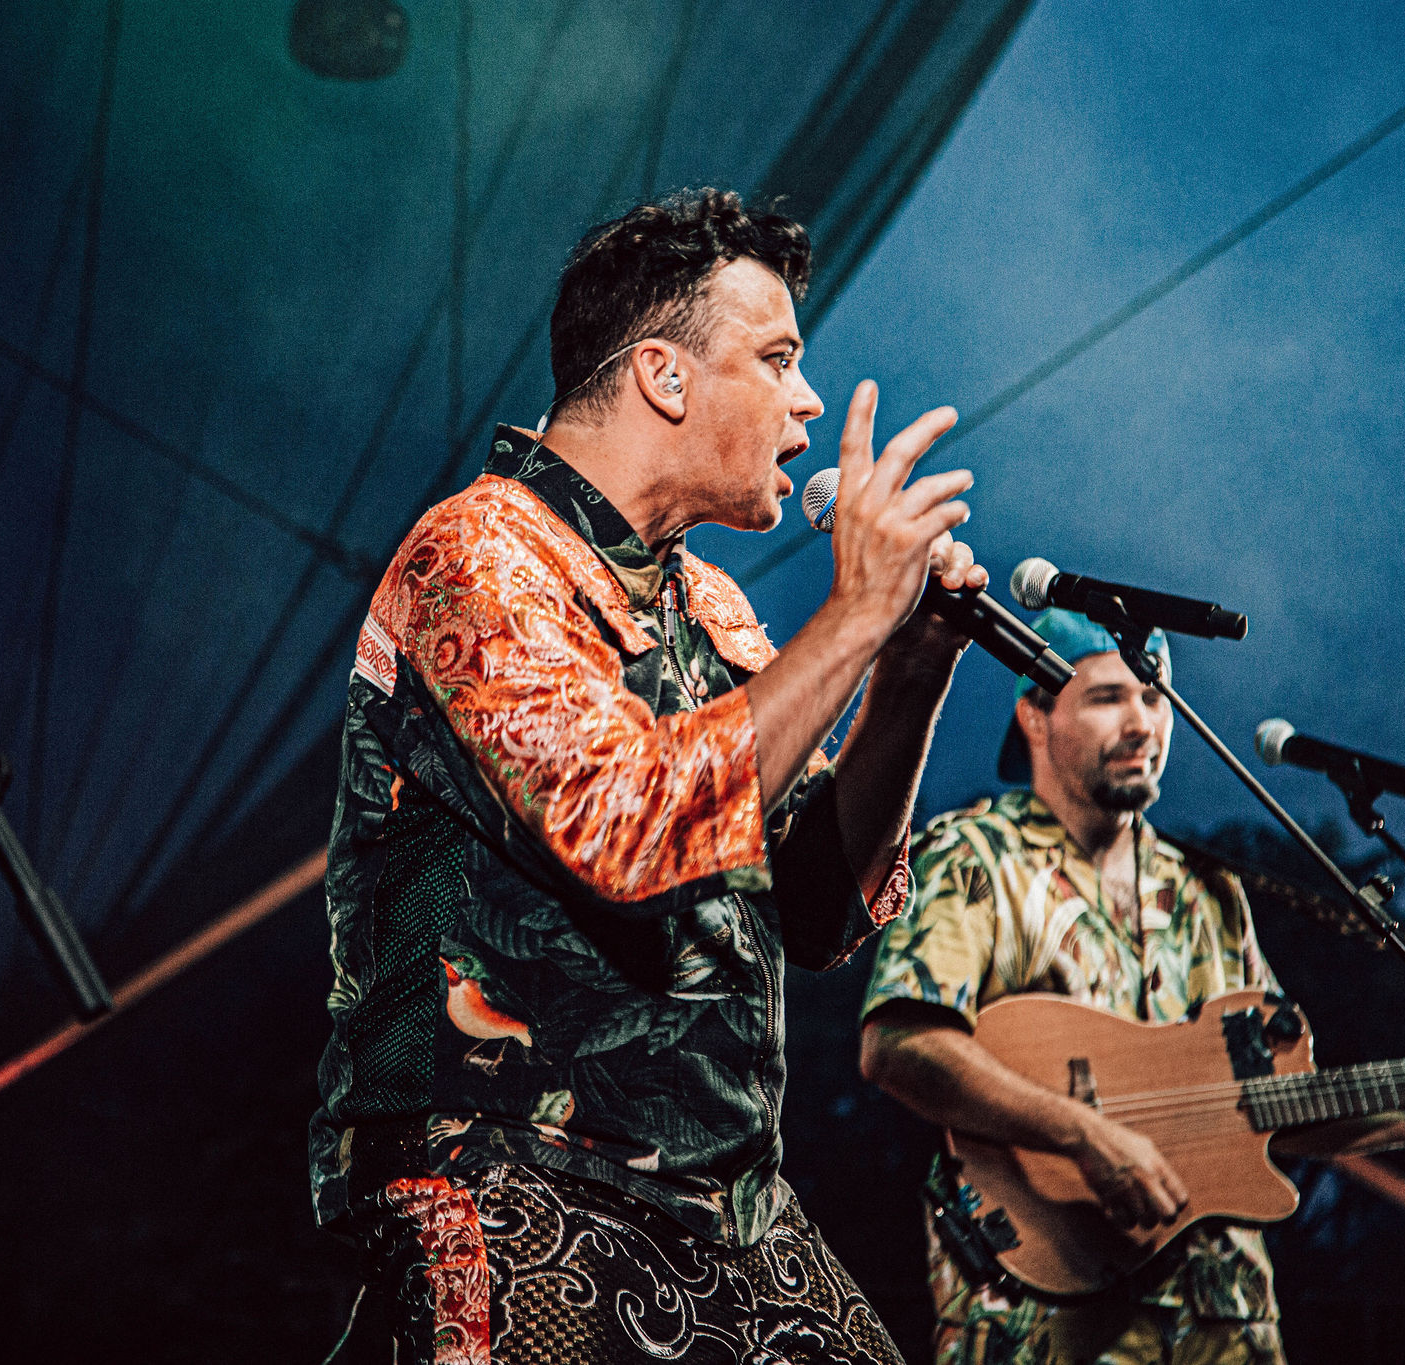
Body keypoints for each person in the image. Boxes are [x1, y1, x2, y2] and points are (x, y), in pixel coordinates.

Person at [311, 187, 987, 1364]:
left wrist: (910, 663)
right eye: (777, 358)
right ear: (663, 377)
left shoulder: (709, 607)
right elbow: (629, 832)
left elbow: (819, 907)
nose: (807, 400)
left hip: (727, 1203)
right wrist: (851, 613)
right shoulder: (479, 553)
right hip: (507, 1163)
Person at [858, 610, 1405, 1365]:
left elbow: (1261, 1108)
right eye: (1108, 697)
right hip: (1041, 1323)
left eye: (1155, 697)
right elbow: (899, 1045)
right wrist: (1083, 1134)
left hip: (1222, 1325)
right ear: (1034, 716)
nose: (1142, 722)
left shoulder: (1210, 892)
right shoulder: (975, 856)